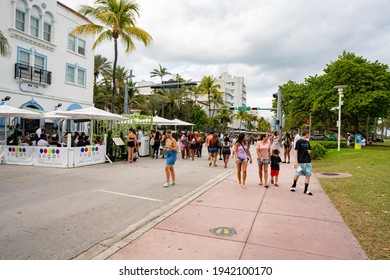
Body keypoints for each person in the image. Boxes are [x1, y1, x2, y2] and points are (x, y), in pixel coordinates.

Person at [290, 129, 313, 196]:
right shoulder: (298, 142)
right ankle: (293, 185)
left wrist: (309, 151)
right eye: (309, 134)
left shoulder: (307, 142)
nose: (309, 135)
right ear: (306, 134)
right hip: (300, 161)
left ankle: (306, 190)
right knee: (297, 174)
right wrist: (296, 161)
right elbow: (296, 151)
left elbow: (309, 149)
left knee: (308, 175)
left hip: (308, 161)